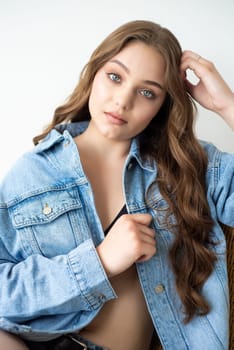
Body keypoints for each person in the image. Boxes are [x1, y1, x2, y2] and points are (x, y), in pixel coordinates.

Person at [0, 19, 233, 350]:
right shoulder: (34, 172)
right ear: (94, 73)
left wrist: (228, 106)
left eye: (146, 92)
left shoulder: (191, 167)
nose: (123, 101)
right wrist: (100, 261)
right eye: (115, 77)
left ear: (163, 105)